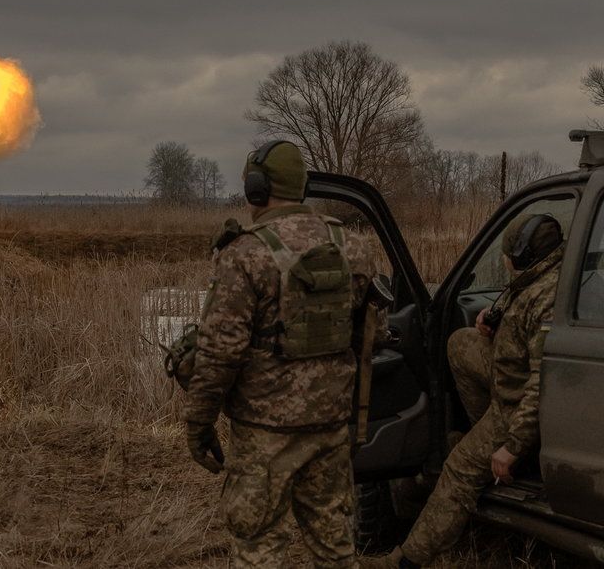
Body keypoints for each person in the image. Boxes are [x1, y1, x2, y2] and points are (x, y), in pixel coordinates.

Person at [184, 140, 380, 568]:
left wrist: (198, 422)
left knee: (259, 548)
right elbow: (363, 335)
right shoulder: (355, 248)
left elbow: (220, 353)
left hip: (264, 434)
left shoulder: (246, 254)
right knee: (335, 550)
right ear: (302, 185)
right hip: (330, 425)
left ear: (256, 188)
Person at [365, 214, 564, 568]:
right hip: (509, 375)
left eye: (507, 253)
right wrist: (494, 320)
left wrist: (511, 446)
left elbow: (541, 382)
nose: (504, 260)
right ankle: (483, 434)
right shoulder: (546, 275)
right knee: (460, 343)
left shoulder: (544, 297)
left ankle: (405, 560)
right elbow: (522, 329)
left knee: (458, 467)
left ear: (521, 254)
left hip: (518, 404)